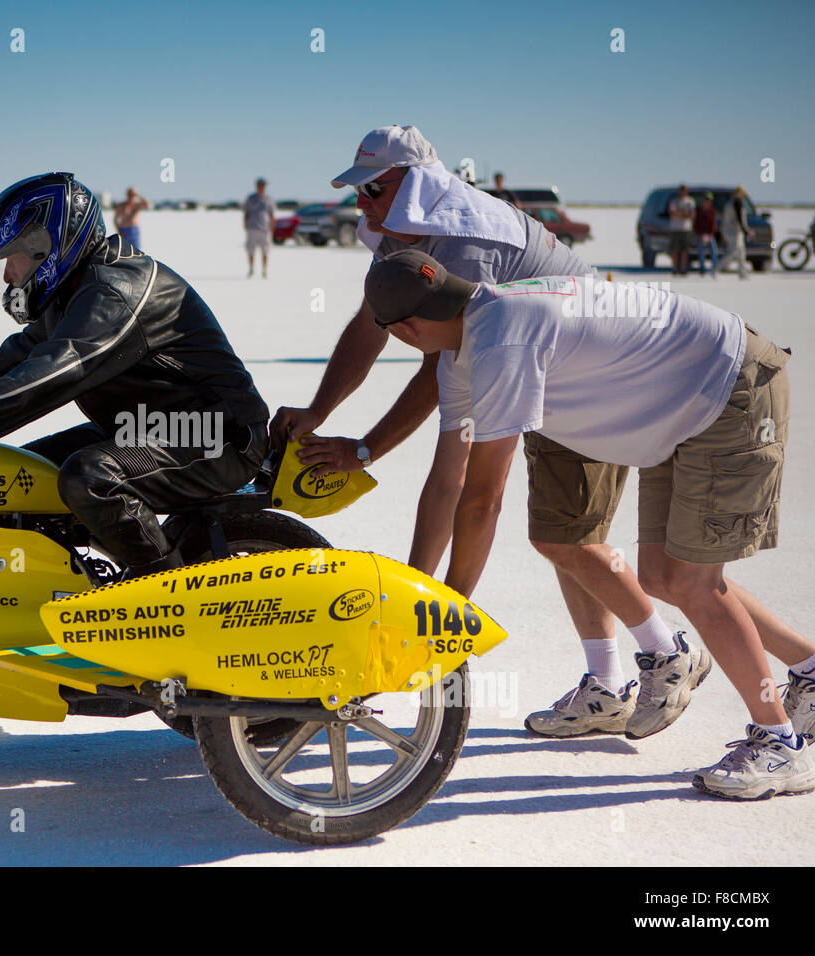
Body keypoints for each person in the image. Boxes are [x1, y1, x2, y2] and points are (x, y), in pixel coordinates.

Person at [274, 125, 695, 739]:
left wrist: (439, 616)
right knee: (559, 530)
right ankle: (607, 685)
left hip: (588, 375)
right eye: (357, 192)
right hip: (528, 356)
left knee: (569, 534)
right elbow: (377, 324)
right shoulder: (406, 230)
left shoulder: (469, 247)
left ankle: (667, 651)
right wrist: (321, 414)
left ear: (415, 185)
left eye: (372, 189)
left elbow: (439, 367)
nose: (360, 205)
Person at [364, 247, 815, 798]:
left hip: (732, 388)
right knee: (659, 577)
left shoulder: (504, 337)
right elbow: (450, 483)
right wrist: (425, 593)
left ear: (409, 328)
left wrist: (450, 611)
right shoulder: (468, 344)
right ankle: (813, 670)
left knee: (691, 582)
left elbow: (485, 498)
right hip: (683, 403)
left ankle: (780, 746)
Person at [0, 172, 270, 578]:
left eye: (10, 260)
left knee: (89, 478)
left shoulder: (112, 294)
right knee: (19, 476)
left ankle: (167, 602)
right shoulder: (73, 291)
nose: (9, 276)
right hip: (144, 427)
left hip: (217, 434)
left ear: (43, 248)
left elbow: (40, 382)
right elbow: (3, 369)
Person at [243, 177, 276, 278]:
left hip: (264, 228)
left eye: (263, 185)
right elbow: (246, 212)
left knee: (265, 250)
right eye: (260, 185)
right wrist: (245, 224)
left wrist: (272, 225)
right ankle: (251, 269)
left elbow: (271, 214)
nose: (262, 187)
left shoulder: (269, 199)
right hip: (252, 227)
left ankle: (264, 270)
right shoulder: (251, 198)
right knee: (251, 250)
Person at [666, 184, 695, 276]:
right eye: (681, 190)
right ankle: (675, 268)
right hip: (675, 229)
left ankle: (683, 268)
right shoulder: (674, 201)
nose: (682, 192)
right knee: (675, 250)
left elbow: (692, 214)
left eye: (684, 190)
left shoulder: (690, 201)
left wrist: (681, 214)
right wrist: (684, 214)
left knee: (684, 250)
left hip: (686, 229)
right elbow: (672, 213)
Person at [724, 185, 753, 279]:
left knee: (741, 252)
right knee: (732, 252)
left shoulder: (734, 202)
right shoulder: (736, 203)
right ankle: (715, 269)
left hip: (736, 231)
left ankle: (742, 273)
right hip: (734, 232)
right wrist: (746, 230)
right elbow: (740, 219)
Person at [693, 191, 718, 278]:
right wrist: (699, 235)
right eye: (706, 199)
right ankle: (702, 269)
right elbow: (695, 224)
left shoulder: (712, 211)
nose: (707, 202)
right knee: (701, 252)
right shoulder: (698, 210)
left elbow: (713, 224)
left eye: (709, 200)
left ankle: (714, 269)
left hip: (710, 235)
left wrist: (710, 235)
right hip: (700, 234)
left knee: (714, 252)